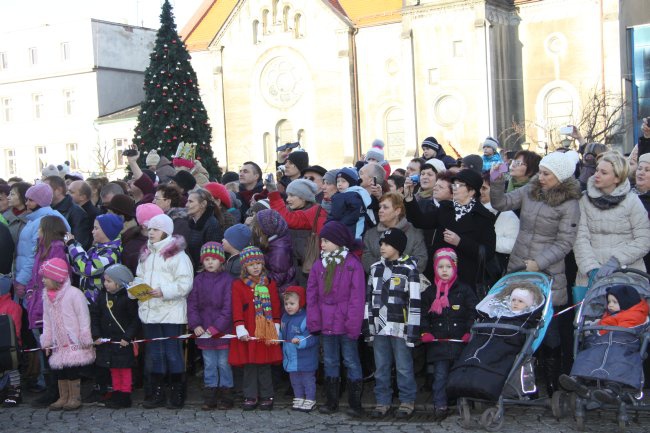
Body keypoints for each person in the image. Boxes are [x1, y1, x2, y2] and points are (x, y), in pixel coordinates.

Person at [490, 151, 581, 396]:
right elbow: (502, 203)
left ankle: (552, 384)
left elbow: (565, 243)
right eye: (540, 171)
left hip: (547, 271)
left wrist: (539, 263)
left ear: (560, 177)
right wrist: (497, 181)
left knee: (548, 330)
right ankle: (522, 383)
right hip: (519, 266)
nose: (540, 177)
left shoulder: (569, 203)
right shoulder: (531, 190)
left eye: (546, 174)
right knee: (519, 324)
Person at [131, 214, 193, 409]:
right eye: (149, 229)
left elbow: (185, 283)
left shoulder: (177, 255)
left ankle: (177, 392)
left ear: (166, 231)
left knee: (172, 353)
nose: (151, 233)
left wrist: (164, 291)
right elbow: (139, 276)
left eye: (155, 229)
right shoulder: (146, 254)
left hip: (171, 312)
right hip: (150, 311)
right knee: (155, 353)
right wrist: (136, 289)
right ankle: (157, 392)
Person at [307, 221, 365, 415]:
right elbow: (312, 296)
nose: (321, 244)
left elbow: (357, 298)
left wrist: (353, 324)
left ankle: (355, 403)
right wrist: (315, 321)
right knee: (330, 361)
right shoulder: (318, 265)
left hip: (346, 322)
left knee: (351, 360)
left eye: (326, 240)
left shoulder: (352, 264)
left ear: (338, 242)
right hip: (326, 323)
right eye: (321, 240)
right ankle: (331, 401)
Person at [405, 169, 496, 288]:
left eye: (459, 185)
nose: (454, 188)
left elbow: (487, 252)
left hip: (465, 279)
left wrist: (460, 242)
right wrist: (409, 197)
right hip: (438, 275)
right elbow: (420, 221)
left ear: (472, 191)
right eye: (454, 185)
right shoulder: (446, 208)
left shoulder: (484, 216)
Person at [364, 228, 421, 419]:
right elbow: (369, 299)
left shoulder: (409, 270)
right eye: (381, 243)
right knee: (381, 366)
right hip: (380, 327)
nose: (382, 247)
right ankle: (383, 401)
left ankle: (407, 400)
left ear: (397, 247)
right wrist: (369, 326)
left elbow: (414, 302)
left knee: (403, 366)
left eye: (387, 244)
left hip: (400, 327)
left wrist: (412, 332)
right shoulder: (375, 269)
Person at [559, 285, 649, 404]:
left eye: (614, 302)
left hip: (623, 345)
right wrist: (595, 328)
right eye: (609, 301)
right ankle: (577, 379)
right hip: (603, 344)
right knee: (588, 355)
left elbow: (629, 327)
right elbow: (603, 326)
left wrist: (602, 328)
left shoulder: (637, 315)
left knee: (618, 361)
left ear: (627, 302)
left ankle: (612, 389)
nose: (610, 305)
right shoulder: (609, 315)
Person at [574, 151, 650, 285]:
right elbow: (580, 237)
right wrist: (591, 268)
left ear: (617, 178)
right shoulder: (584, 200)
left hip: (626, 272)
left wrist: (617, 260)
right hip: (591, 274)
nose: (596, 175)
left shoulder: (632, 201)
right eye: (597, 170)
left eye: (604, 173)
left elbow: (644, 240)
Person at [420, 248, 477, 421]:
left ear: (455, 268)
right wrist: (425, 332)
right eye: (440, 267)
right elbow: (423, 315)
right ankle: (440, 404)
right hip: (439, 344)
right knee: (440, 376)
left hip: (460, 342)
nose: (444, 270)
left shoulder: (464, 290)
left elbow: (472, 312)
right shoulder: (429, 293)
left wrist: (469, 331)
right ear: (435, 269)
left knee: (460, 376)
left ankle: (463, 403)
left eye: (448, 267)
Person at [229, 246, 283, 411]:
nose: (255, 267)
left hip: (264, 331)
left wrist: (275, 325)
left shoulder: (269, 284)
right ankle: (250, 395)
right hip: (249, 331)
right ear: (245, 266)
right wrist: (240, 327)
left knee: (264, 365)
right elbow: (236, 307)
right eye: (251, 264)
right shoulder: (238, 285)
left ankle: (267, 395)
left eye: (258, 263)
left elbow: (275, 305)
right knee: (250, 365)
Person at [40, 258, 95, 411]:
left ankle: (75, 397)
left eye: (46, 277)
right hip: (58, 341)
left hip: (73, 339)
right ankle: (63, 396)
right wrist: (47, 340)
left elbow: (83, 316)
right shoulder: (46, 297)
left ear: (57, 278)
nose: (43, 281)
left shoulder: (74, 294)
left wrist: (85, 336)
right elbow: (47, 320)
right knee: (60, 370)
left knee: (72, 370)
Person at [187, 242, 236, 410]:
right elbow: (192, 305)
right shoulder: (198, 280)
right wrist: (195, 325)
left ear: (221, 261)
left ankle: (226, 395)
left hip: (222, 330)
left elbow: (228, 308)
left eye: (213, 259)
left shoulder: (228, 280)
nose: (209, 262)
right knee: (209, 364)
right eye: (206, 259)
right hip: (204, 331)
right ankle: (210, 396)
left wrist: (217, 327)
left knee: (223, 363)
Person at [90, 264, 140, 409]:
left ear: (120, 282)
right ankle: (116, 392)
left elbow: (135, 320)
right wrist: (96, 335)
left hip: (123, 341)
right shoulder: (102, 296)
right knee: (113, 368)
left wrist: (128, 337)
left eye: (109, 281)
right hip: (107, 341)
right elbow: (95, 315)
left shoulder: (129, 298)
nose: (105, 284)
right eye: (105, 281)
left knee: (124, 369)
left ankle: (125, 395)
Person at [362, 192, 428, 275]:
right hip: (377, 283)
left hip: (406, 283)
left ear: (397, 211)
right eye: (380, 207)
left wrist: (397, 273)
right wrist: (383, 271)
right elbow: (366, 258)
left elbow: (421, 260)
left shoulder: (414, 233)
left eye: (385, 207)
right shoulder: (370, 234)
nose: (380, 210)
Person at [66, 214, 123, 304]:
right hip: (89, 299)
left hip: (98, 302)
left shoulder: (110, 253)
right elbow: (80, 267)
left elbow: (87, 269)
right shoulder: (98, 247)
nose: (92, 231)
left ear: (107, 231)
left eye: (96, 228)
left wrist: (72, 245)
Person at [279, 286, 319, 412]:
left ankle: (310, 398)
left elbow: (313, 337)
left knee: (307, 380)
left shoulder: (306, 318)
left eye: (292, 303)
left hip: (305, 357)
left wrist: (300, 340)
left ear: (300, 303)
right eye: (286, 303)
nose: (288, 306)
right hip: (291, 357)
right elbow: (282, 334)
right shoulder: (284, 317)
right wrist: (276, 337)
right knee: (295, 380)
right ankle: (299, 397)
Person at [480, 173, 520, 281]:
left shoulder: (508, 215)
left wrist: (487, 241)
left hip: (494, 271)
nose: (480, 191)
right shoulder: (475, 210)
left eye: (484, 188)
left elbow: (513, 245)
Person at [251, 209, 296, 296]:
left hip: (281, 292)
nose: (255, 231)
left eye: (257, 228)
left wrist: (258, 279)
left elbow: (279, 277)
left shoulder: (279, 251)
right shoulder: (277, 237)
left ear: (266, 229)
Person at [44, 176, 92, 250]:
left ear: (58, 190)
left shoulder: (76, 212)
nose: (43, 192)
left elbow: (79, 243)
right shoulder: (46, 209)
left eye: (46, 189)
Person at [327, 167, 373, 240]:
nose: (339, 184)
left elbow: (338, 214)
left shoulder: (348, 195)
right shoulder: (355, 193)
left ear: (351, 182)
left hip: (349, 230)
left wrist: (331, 224)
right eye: (338, 181)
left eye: (343, 181)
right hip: (350, 229)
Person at [186, 188, 225, 270]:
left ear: (203, 204)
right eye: (187, 201)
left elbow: (213, 257)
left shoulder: (212, 225)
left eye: (191, 201)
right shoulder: (190, 223)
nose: (186, 205)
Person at [0, 277, 22, 407]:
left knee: (11, 368)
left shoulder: (13, 307)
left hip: (10, 345)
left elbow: (15, 329)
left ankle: (15, 391)